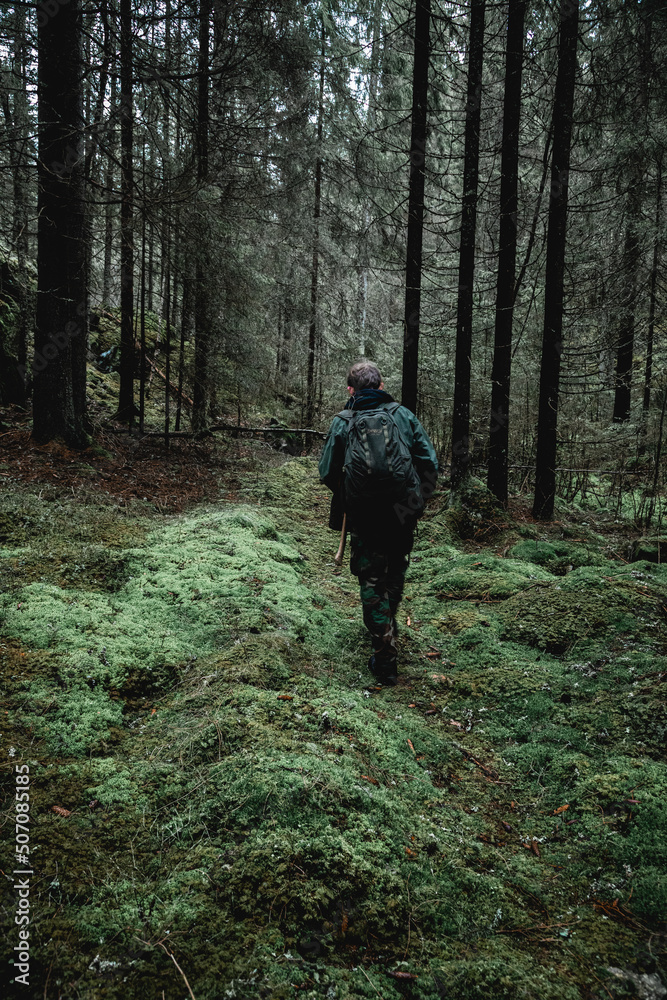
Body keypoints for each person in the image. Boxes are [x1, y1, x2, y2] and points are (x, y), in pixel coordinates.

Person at [319, 361, 438, 685]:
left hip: (364, 515)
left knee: (372, 580)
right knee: (395, 569)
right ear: (382, 385)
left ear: (350, 390)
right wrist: (418, 500)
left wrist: (350, 497)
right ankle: (387, 627)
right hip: (402, 512)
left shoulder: (344, 421)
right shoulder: (403, 416)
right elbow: (430, 462)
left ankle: (385, 656)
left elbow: (327, 471)